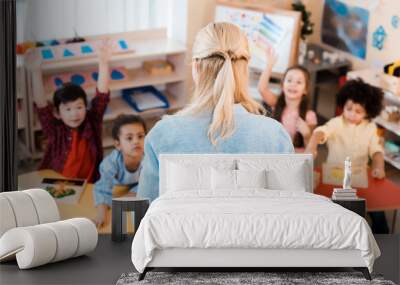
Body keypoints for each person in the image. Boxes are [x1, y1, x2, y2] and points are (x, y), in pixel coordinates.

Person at [137, 22, 294, 202]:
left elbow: (144, 214)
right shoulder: (275, 135)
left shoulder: (162, 135)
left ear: (196, 67)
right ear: (245, 67)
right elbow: (289, 213)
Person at [305, 79, 388, 233]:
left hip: (360, 177)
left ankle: (382, 240)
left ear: (368, 112)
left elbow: (376, 151)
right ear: (342, 105)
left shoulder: (370, 128)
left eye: (358, 111)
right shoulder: (337, 122)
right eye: (348, 109)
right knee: (335, 213)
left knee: (378, 213)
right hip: (334, 177)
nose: (352, 114)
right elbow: (321, 131)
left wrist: (379, 167)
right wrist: (312, 145)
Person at [26, 40, 112, 182]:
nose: (74, 114)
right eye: (67, 109)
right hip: (58, 182)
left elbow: (102, 96)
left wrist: (103, 63)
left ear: (86, 107)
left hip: (89, 182)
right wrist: (35, 71)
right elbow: (41, 105)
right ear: (57, 113)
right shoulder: (54, 128)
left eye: (79, 107)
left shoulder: (92, 121)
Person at [257, 46, 317, 147]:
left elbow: (310, 150)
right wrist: (269, 65)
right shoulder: (276, 103)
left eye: (299, 82)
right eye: (289, 80)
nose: (293, 84)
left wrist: (307, 135)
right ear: (282, 86)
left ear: (305, 89)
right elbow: (262, 89)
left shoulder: (309, 116)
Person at [93, 114, 146, 228]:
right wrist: (102, 213)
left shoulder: (149, 159)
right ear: (118, 144)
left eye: (140, 136)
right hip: (117, 189)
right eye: (129, 138)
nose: (136, 141)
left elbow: (154, 181)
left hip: (133, 194)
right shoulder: (110, 163)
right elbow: (102, 189)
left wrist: (133, 193)